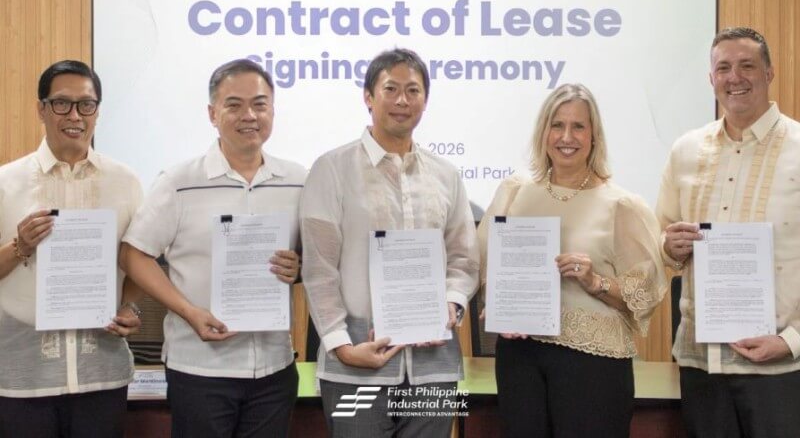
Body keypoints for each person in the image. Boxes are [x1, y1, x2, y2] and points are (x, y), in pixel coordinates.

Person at [119, 59, 305, 438]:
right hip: (200, 369)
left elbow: (316, 260)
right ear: (212, 113)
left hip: (273, 367)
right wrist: (188, 311)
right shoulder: (179, 181)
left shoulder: (300, 181)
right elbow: (134, 255)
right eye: (234, 105)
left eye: (260, 104)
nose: (249, 115)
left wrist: (299, 269)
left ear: (273, 110)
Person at [300, 48, 479, 437]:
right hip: (356, 361)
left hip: (433, 362)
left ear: (425, 100)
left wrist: (452, 301)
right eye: (391, 88)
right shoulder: (331, 169)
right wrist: (342, 347)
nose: (402, 100)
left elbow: (464, 259)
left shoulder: (446, 175)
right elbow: (318, 269)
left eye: (413, 90)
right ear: (368, 96)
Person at [478, 83, 667, 438]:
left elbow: (646, 293)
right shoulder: (515, 192)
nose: (567, 136)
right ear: (543, 131)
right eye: (557, 124)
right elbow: (486, 265)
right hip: (520, 357)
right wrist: (498, 303)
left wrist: (596, 281)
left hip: (593, 365)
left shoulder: (622, 205)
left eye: (578, 126)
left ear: (594, 135)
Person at [657, 27, 800, 438]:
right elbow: (658, 239)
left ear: (769, 73)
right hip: (702, 365)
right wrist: (669, 244)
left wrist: (791, 341)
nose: (734, 77)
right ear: (711, 78)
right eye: (723, 68)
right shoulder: (686, 150)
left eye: (746, 66)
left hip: (781, 367)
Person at [0, 60, 144, 437]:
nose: (75, 115)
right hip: (23, 375)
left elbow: (136, 262)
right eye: (62, 103)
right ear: (41, 109)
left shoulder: (125, 182)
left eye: (86, 104)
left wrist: (130, 306)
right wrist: (20, 246)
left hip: (102, 373)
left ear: (97, 111)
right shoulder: (5, 183)